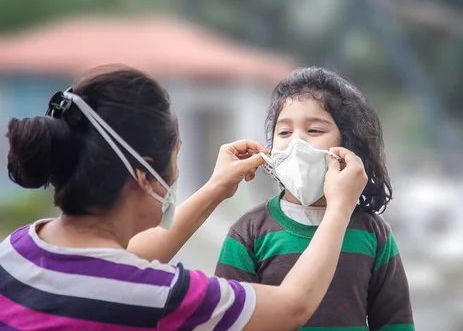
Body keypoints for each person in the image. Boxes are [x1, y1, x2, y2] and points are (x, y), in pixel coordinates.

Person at [0, 65, 368, 331]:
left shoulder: (16, 251)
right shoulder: (157, 294)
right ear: (145, 177)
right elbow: (292, 307)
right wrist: (340, 207)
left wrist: (216, 189)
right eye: (176, 156)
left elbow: (123, 262)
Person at [215, 67, 414, 330]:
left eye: (315, 130)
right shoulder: (249, 232)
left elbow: (394, 322)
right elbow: (227, 320)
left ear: (349, 146)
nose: (296, 142)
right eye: (284, 133)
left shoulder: (374, 234)